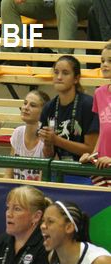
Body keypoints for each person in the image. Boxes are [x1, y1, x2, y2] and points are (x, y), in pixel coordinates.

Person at [37, 55, 98, 184]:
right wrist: (48, 143)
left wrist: (57, 140)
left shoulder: (88, 104)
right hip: (61, 171)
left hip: (87, 173)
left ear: (76, 79)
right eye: (56, 72)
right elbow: (49, 155)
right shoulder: (49, 107)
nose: (59, 77)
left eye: (65, 73)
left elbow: (91, 150)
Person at [0, 0, 92, 53]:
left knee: (64, 2)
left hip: (77, 3)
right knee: (8, 2)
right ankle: (12, 57)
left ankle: (64, 61)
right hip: (47, 3)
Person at [80, 43, 111, 187]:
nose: (104, 65)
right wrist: (92, 155)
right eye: (102, 61)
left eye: (110, 61)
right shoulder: (99, 93)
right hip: (102, 167)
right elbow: (102, 132)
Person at [6, 90, 50, 181]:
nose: (26, 107)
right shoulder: (17, 133)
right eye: (25, 103)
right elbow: (8, 174)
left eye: (32, 105)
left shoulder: (46, 139)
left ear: (44, 112)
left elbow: (43, 182)